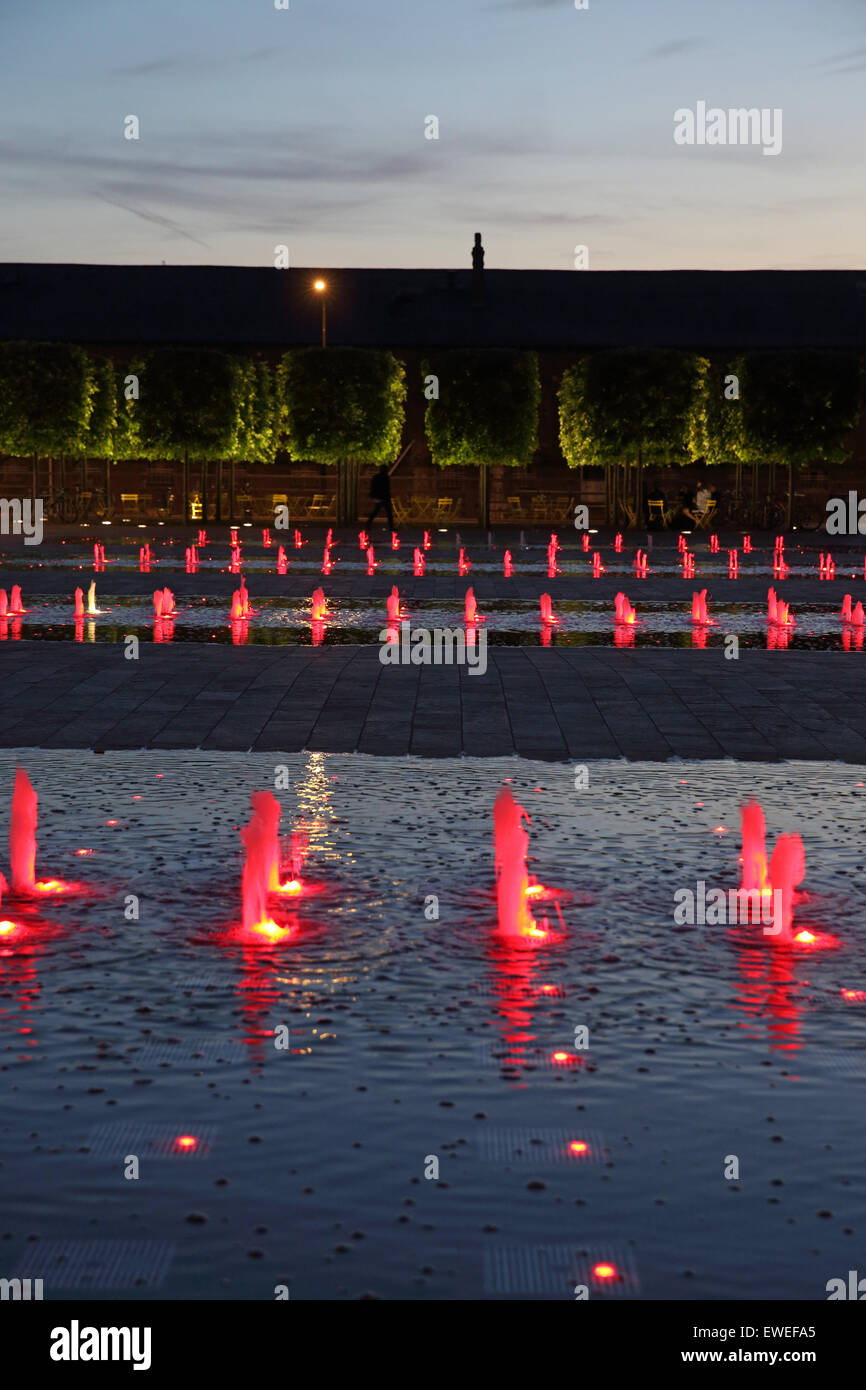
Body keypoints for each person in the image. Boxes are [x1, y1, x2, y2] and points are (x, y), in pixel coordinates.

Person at [366, 464, 395, 532]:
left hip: (378, 497)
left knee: (376, 511)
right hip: (384, 497)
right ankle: (391, 527)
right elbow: (387, 488)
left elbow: (373, 487)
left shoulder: (376, 477)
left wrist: (373, 495)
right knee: (389, 513)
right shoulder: (386, 477)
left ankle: (368, 524)